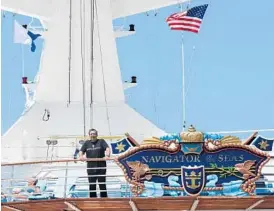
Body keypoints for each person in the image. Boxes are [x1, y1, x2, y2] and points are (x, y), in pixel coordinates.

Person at [79, 128, 110, 198]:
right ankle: (92, 200)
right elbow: (81, 151)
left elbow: (107, 148)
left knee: (102, 184)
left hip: (101, 167)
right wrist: (81, 156)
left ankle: (104, 199)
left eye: (94, 134)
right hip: (90, 167)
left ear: (97, 135)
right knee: (92, 185)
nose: (92, 135)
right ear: (89, 135)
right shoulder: (87, 143)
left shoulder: (101, 141)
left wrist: (107, 155)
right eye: (91, 134)